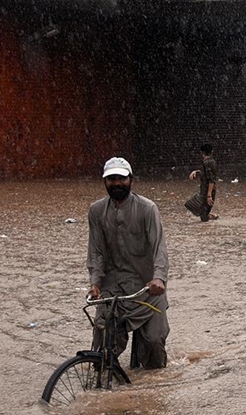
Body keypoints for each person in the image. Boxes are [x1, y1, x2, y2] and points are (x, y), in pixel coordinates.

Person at [87, 157, 170, 369]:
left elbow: (159, 247)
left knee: (153, 345)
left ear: (131, 180)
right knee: (103, 348)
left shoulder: (147, 209)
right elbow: (96, 250)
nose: (117, 183)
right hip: (113, 288)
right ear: (105, 182)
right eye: (111, 179)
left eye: (121, 179)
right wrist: (95, 283)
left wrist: (159, 278)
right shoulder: (96, 211)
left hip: (147, 288)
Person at [185, 143, 218, 221]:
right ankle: (210, 216)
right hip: (206, 191)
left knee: (200, 212)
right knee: (196, 208)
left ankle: (210, 219)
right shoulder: (212, 161)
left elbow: (211, 179)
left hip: (206, 191)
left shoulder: (207, 163)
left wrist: (209, 195)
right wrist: (196, 172)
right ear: (212, 152)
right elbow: (207, 174)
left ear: (202, 152)